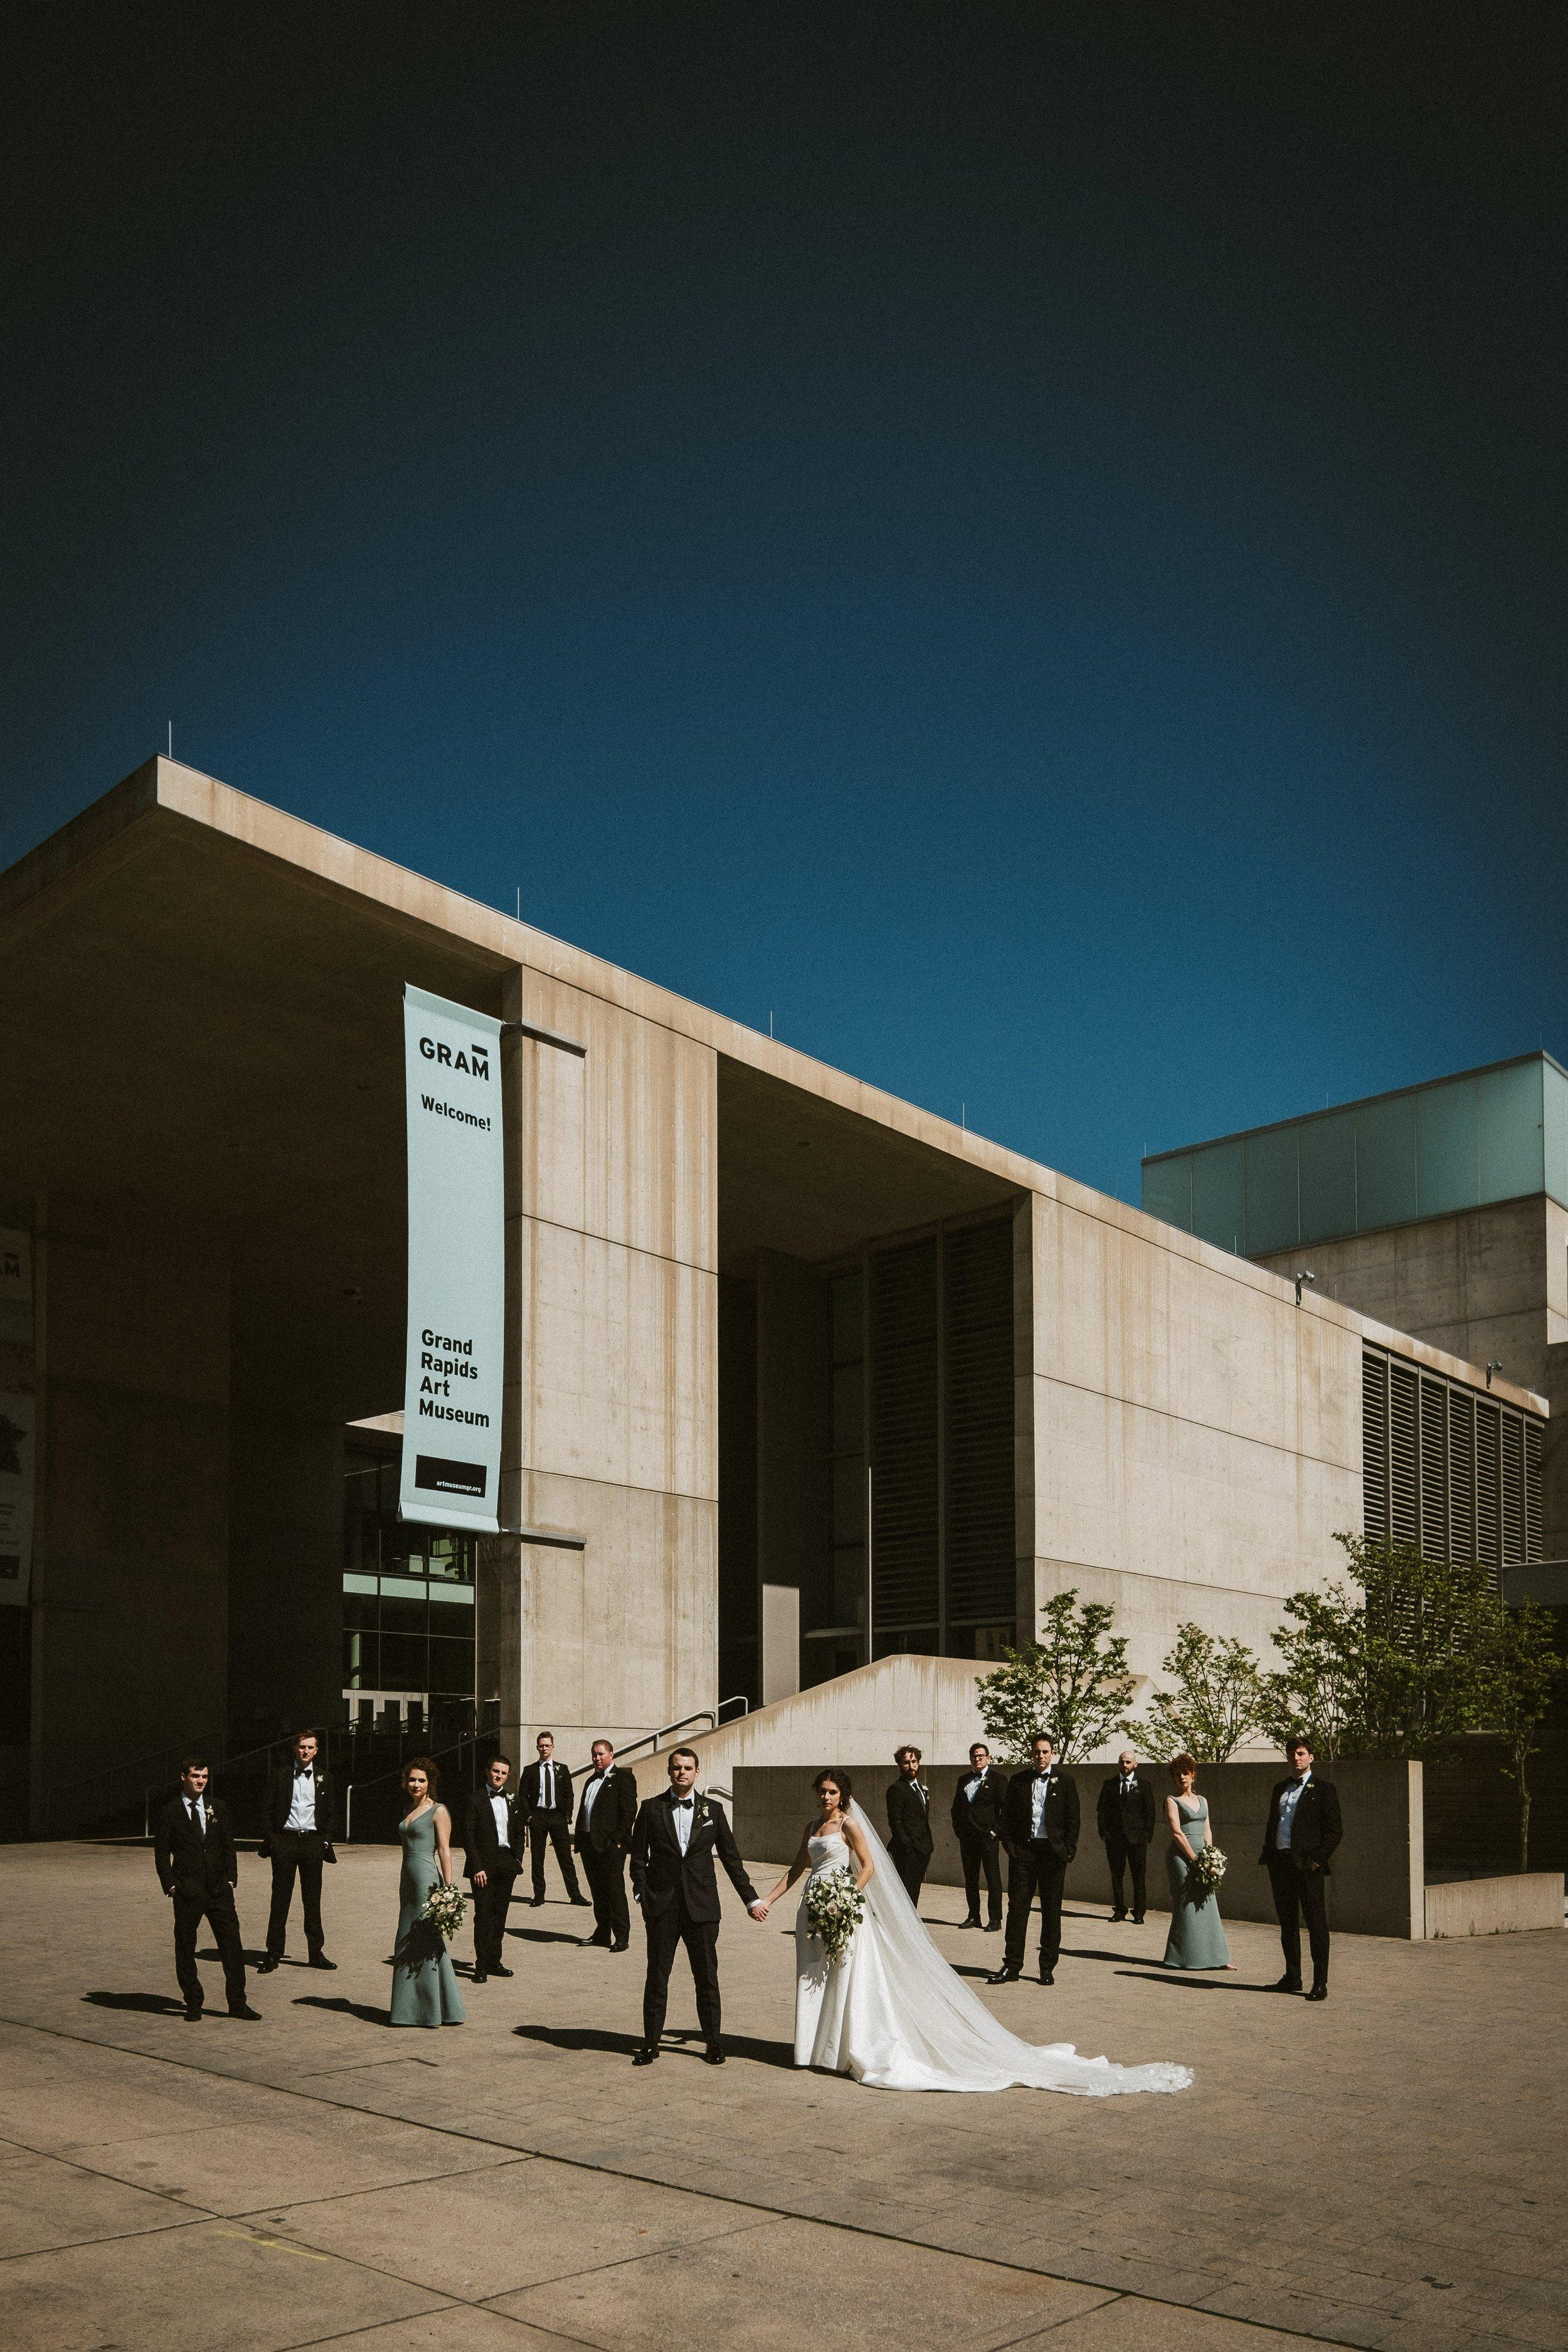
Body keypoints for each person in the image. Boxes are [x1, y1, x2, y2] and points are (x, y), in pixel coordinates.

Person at [755, 1767, 1190, 2097]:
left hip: (845, 1908)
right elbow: (797, 1869)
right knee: (815, 1977)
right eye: (822, 1792)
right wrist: (769, 1900)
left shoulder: (850, 1825)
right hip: (813, 1909)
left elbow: (867, 1866)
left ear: (843, 1796)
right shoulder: (811, 1828)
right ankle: (815, 2049)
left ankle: (845, 2048)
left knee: (847, 1975)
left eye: (833, 1792)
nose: (827, 1798)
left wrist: (849, 1896)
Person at [628, 1746, 765, 2065]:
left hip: (702, 1908)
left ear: (697, 1772)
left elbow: (731, 1858)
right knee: (657, 1977)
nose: (682, 1773)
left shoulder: (713, 1810)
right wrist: (641, 1892)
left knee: (706, 1978)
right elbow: (637, 1857)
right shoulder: (650, 1808)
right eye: (677, 1768)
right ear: (669, 1771)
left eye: (688, 1768)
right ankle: (650, 2044)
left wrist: (751, 1899)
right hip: (662, 1908)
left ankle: (713, 2043)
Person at [153, 1756, 260, 2022]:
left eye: (204, 1777)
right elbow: (162, 1853)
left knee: (232, 1947)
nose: (201, 1781)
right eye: (195, 1776)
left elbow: (228, 1845)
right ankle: (193, 2002)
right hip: (187, 1891)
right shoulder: (169, 1812)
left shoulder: (218, 1807)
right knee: (186, 1947)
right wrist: (171, 1885)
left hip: (218, 1890)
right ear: (183, 1778)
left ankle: (237, 2003)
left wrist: (231, 1878)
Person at [989, 1734, 1079, 1987]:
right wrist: (1011, 1848)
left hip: (1053, 1855)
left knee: (1051, 1911)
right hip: (1024, 1854)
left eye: (1046, 1752)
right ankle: (1012, 1965)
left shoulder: (1066, 1782)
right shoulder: (1017, 1781)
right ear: (1032, 1754)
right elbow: (1006, 1818)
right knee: (1017, 1910)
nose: (1041, 1756)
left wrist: (1068, 1850)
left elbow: (1074, 1819)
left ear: (1053, 1754)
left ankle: (1047, 1967)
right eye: (1037, 1752)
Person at [1259, 1734, 1342, 2001]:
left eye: (1301, 1753)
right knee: (1287, 1923)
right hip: (1280, 1864)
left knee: (1316, 1924)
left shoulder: (1325, 1790)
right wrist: (1270, 1855)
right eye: (1292, 1754)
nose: (1296, 1758)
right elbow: (1274, 1824)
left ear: (1311, 1757)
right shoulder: (1279, 1788)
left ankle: (1320, 1983)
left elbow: (1335, 1831)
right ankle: (1293, 1975)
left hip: (1308, 1867)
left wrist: (1317, 1860)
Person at [390, 1757, 467, 2028]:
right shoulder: (407, 1809)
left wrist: (449, 1890)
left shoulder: (439, 1811)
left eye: (421, 1780)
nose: (416, 1784)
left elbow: (445, 1850)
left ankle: (432, 2010)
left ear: (429, 1783)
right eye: (412, 1779)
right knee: (408, 1940)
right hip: (407, 1883)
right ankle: (414, 2009)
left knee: (425, 1941)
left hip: (426, 1882)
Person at [257, 1729, 337, 1974]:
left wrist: (325, 1840)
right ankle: (273, 1953)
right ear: (295, 1748)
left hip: (313, 1843)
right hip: (285, 1842)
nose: (306, 1751)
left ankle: (315, 1953)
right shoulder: (280, 1774)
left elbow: (332, 1812)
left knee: (312, 1900)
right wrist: (273, 1840)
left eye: (310, 1747)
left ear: (316, 1751)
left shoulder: (325, 1777)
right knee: (280, 1899)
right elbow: (265, 1810)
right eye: (302, 1747)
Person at [1161, 1754, 1234, 1971]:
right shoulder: (1171, 1801)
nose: (1182, 1777)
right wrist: (1194, 1859)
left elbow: (1207, 1830)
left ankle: (1218, 1957)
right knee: (1185, 1906)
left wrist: (1210, 1855)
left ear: (1193, 1775)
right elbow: (1177, 1833)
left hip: (1203, 1858)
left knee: (1208, 1903)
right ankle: (1182, 1958)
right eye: (1177, 1774)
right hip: (1181, 1858)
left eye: (1185, 1773)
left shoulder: (1203, 1800)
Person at [574, 1737, 638, 1951]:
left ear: (612, 1754)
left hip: (611, 1846)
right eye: (594, 1754)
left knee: (614, 1890)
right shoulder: (590, 1780)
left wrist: (619, 1841)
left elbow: (629, 1812)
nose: (597, 1758)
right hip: (590, 1845)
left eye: (601, 1754)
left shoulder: (623, 1778)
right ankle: (602, 1933)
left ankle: (622, 1936)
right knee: (598, 1891)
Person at [462, 1755, 521, 1983]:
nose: (499, 1776)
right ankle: (481, 1965)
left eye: (504, 1773)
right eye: (496, 1772)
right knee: (484, 1915)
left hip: (507, 1863)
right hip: (483, 1866)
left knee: (500, 1915)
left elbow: (517, 1831)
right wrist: (477, 1867)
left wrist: (517, 1860)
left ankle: (495, 1961)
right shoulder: (475, 1799)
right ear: (488, 1771)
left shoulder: (512, 1799)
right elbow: (468, 1835)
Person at [519, 1732, 588, 1910]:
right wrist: (529, 1817)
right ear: (537, 1748)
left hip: (557, 1817)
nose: (544, 1749)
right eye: (541, 1746)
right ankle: (539, 1895)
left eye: (547, 1745)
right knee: (538, 1858)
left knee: (566, 1858)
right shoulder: (530, 1770)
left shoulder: (562, 1769)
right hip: (538, 1817)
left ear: (553, 1747)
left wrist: (567, 1815)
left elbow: (569, 1794)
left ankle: (575, 1894)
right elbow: (523, 1797)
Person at [950, 1742, 1007, 1930]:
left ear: (988, 1758)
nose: (978, 1759)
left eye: (981, 1756)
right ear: (970, 1759)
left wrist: (995, 1832)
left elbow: (1006, 1810)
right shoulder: (963, 1780)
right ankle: (974, 1916)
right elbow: (956, 1808)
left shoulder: (998, 1780)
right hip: (968, 1838)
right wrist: (959, 1831)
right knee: (971, 1878)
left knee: (993, 1878)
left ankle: (996, 1919)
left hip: (988, 1838)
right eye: (974, 1756)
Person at [1096, 1747, 1157, 1924]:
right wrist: (1104, 1833)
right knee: (1116, 1877)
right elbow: (1102, 1811)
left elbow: (1150, 1813)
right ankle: (1119, 1910)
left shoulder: (1144, 1786)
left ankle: (1139, 1913)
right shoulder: (1109, 1785)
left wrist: (1147, 1835)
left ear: (1135, 1765)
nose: (1125, 1764)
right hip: (1114, 1840)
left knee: (1139, 1877)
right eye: (1122, 1761)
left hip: (1137, 1840)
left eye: (1128, 1762)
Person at [885, 1745, 933, 1908]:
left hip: (924, 1849)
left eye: (914, 1762)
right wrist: (909, 1847)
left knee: (915, 1890)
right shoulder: (896, 1790)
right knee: (907, 1893)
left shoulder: (922, 1788)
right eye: (906, 1762)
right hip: (907, 1851)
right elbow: (895, 1822)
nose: (911, 1766)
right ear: (899, 1765)